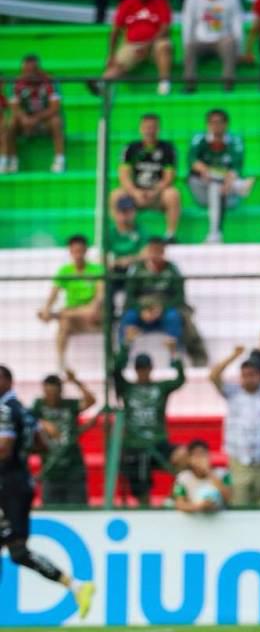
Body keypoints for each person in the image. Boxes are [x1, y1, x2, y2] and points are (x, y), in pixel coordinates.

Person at [0, 366, 95, 618]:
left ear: (7, 381)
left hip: (9, 486)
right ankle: (76, 587)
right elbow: (42, 445)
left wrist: (14, 455)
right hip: (20, 483)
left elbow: (4, 449)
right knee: (17, 551)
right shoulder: (25, 411)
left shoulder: (6, 410)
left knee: (18, 550)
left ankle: (76, 586)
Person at [210, 343, 260, 507]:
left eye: (252, 374)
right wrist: (233, 356)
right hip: (239, 460)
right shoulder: (233, 392)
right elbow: (214, 376)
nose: (248, 378)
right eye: (245, 375)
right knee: (240, 506)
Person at [113, 349, 186, 505]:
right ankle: (146, 508)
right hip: (134, 445)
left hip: (159, 442)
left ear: (151, 368)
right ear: (135, 370)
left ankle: (172, 498)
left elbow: (180, 380)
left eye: (145, 368)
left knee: (184, 456)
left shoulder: (161, 387)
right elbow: (115, 371)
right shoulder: (126, 388)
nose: (143, 372)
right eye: (139, 369)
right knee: (141, 487)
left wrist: (174, 354)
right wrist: (126, 347)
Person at [122, 237, 208, 365]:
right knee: (129, 317)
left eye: (158, 251)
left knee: (174, 317)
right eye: (152, 251)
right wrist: (141, 311)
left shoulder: (172, 269)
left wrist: (161, 309)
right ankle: (121, 357)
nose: (154, 254)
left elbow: (179, 297)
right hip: (142, 310)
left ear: (163, 252)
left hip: (165, 310)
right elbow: (129, 297)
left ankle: (175, 359)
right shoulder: (137, 270)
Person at [187, 108, 256, 244]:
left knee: (215, 187)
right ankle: (239, 186)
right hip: (200, 186)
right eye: (212, 122)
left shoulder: (235, 141)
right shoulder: (199, 139)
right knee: (215, 183)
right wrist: (207, 171)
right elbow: (193, 161)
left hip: (224, 189)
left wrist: (227, 181)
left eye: (219, 122)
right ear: (207, 124)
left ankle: (214, 235)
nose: (216, 126)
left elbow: (236, 168)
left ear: (226, 124)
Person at [30, 370, 96, 506]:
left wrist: (76, 382)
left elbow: (91, 401)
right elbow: (26, 418)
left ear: (60, 392)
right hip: (50, 469)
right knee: (51, 509)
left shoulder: (69, 405)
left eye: (54, 393)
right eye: (48, 393)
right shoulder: (39, 406)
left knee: (78, 508)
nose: (51, 397)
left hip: (74, 468)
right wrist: (43, 422)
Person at [112, 113, 181, 243]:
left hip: (157, 195)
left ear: (158, 129)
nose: (150, 131)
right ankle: (122, 233)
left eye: (153, 127)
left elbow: (169, 177)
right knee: (116, 195)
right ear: (141, 128)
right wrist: (135, 192)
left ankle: (170, 235)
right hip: (135, 195)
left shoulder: (167, 149)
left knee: (173, 194)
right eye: (147, 127)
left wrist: (155, 192)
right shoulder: (131, 148)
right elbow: (124, 175)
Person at [38, 234, 105, 368]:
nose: (78, 255)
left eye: (80, 251)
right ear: (70, 251)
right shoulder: (65, 270)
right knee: (64, 323)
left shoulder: (97, 269)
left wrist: (94, 307)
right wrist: (46, 308)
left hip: (93, 313)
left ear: (86, 250)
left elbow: (100, 295)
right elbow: (54, 294)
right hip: (75, 315)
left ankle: (57, 315)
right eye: (75, 251)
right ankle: (61, 362)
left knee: (87, 312)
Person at [98, 0, 173, 96]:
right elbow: (115, 31)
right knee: (118, 62)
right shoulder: (127, 3)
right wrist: (111, 54)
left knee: (164, 46)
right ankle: (101, 84)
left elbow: (165, 28)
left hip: (154, 43)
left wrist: (148, 45)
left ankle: (164, 84)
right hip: (132, 45)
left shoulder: (160, 2)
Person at [0, 55, 65, 174]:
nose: (29, 74)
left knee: (56, 121)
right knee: (11, 122)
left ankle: (59, 159)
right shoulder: (16, 83)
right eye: (26, 71)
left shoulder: (49, 81)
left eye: (32, 70)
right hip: (24, 122)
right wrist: (24, 118)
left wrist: (36, 118)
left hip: (44, 121)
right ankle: (13, 160)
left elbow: (55, 107)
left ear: (38, 69)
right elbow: (14, 107)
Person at [181, 0, 243, 92]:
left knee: (230, 43)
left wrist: (239, 51)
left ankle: (228, 86)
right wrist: (185, 47)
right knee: (190, 45)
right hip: (200, 40)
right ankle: (190, 85)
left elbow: (237, 25)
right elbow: (188, 24)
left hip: (222, 40)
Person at [173, 440, 232, 514]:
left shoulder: (222, 474)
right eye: (196, 455)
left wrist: (209, 472)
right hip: (195, 518)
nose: (200, 459)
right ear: (189, 459)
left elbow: (228, 498)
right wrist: (200, 506)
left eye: (203, 454)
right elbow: (180, 504)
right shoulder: (182, 477)